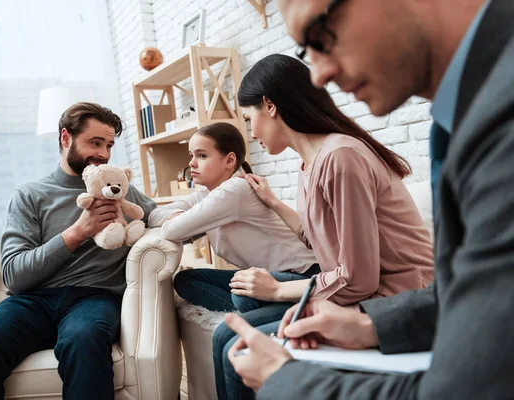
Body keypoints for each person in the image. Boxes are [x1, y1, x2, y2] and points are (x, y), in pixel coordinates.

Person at [227, 0, 514, 399]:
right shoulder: (457, 121)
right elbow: (464, 292)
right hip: (391, 305)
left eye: (321, 33)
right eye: (305, 51)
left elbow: (466, 385)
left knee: (235, 339)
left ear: (271, 106)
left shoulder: (496, 122)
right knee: (236, 316)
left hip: (384, 292)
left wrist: (283, 377)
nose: (321, 74)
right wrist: (371, 326)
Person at [215, 53, 434, 399]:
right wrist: (272, 202)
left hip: (397, 300)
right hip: (362, 293)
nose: (250, 132)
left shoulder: (340, 157)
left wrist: (276, 290)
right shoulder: (310, 163)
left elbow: (358, 277)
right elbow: (317, 237)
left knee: (234, 348)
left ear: (269, 105)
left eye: (248, 118)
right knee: (226, 334)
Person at [0, 102, 156, 399]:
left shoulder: (119, 189)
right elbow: (15, 275)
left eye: (109, 145)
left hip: (95, 298)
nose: (104, 154)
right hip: (33, 301)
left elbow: (163, 218)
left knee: (84, 339)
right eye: (95, 143)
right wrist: (77, 232)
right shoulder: (30, 195)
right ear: (65, 138)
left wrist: (218, 199)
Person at [148, 122, 319, 399]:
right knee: (187, 280)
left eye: (202, 156)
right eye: (191, 155)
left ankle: (256, 307)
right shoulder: (208, 194)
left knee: (242, 296)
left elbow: (169, 229)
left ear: (229, 160)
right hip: (264, 276)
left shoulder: (234, 191)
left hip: (301, 276)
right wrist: (181, 219)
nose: (192, 163)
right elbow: (156, 216)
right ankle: (257, 307)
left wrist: (182, 223)